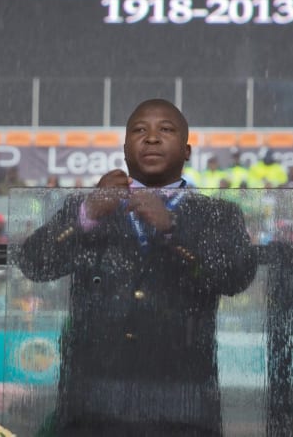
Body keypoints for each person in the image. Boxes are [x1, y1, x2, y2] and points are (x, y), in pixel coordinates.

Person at [17, 98, 257, 436]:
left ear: (187, 151)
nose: (152, 138)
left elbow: (236, 276)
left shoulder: (218, 214)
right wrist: (86, 216)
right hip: (92, 407)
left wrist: (173, 226)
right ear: (125, 148)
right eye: (140, 130)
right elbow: (33, 263)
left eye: (166, 130)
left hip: (181, 409)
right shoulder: (86, 206)